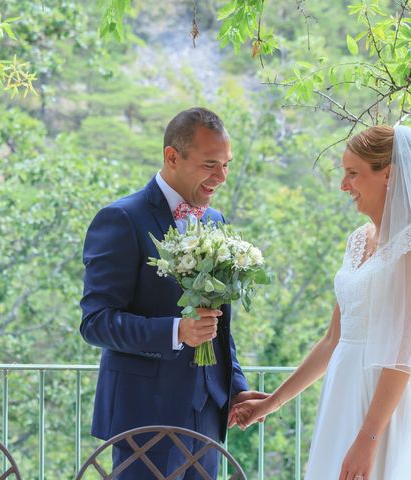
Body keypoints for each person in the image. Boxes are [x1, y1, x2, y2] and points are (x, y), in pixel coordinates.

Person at [231, 125, 411, 479]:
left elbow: (405, 355)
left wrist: (368, 438)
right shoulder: (358, 240)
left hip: (385, 410)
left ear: (387, 174)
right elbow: (333, 339)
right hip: (343, 393)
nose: (344, 186)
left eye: (353, 173)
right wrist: (272, 402)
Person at [80, 107, 266, 479]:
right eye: (211, 164)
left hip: (208, 413)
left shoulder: (215, 221)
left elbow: (220, 325)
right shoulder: (121, 218)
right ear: (172, 157)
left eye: (227, 165)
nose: (221, 177)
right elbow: (96, 323)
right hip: (143, 416)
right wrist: (175, 331)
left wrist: (236, 389)